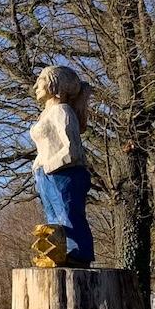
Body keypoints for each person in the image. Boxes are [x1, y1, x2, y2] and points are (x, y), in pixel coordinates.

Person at [29, 66, 95, 266]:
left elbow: (71, 150)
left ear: (54, 83)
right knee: (53, 218)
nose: (36, 86)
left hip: (64, 172)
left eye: (40, 80)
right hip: (45, 173)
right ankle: (57, 252)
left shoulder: (61, 111)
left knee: (68, 215)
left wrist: (49, 165)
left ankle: (78, 254)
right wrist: (39, 167)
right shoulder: (46, 114)